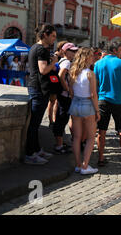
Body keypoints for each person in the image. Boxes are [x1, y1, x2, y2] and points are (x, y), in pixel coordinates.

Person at [94, 37, 121, 169]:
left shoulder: (98, 64)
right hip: (118, 100)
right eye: (120, 50)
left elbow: (96, 83)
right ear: (115, 50)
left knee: (101, 131)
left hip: (102, 100)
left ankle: (100, 158)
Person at [24, 24, 58, 165]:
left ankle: (37, 150)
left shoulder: (34, 47)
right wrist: (54, 62)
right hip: (38, 88)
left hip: (35, 87)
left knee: (35, 123)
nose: (54, 40)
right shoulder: (41, 49)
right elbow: (43, 70)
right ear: (45, 35)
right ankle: (30, 154)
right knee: (34, 124)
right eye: (53, 36)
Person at [68, 48, 100, 175]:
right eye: (91, 56)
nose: (93, 58)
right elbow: (93, 94)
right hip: (87, 104)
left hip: (75, 103)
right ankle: (85, 165)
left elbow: (71, 91)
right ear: (86, 58)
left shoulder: (73, 72)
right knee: (91, 137)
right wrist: (97, 111)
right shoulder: (90, 73)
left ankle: (78, 164)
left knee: (76, 137)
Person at [52, 42, 78, 154]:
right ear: (66, 51)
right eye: (72, 51)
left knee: (61, 118)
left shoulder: (62, 60)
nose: (74, 53)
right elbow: (61, 76)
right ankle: (59, 145)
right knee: (62, 119)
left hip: (62, 94)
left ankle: (60, 143)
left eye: (75, 51)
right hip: (65, 95)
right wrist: (68, 89)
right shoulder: (66, 62)